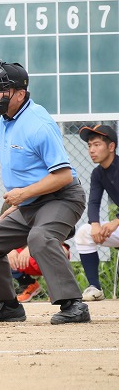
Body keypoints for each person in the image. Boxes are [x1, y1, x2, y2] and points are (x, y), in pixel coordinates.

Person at [0, 59, 89, 324]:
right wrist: (15, 205)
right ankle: (8, 306)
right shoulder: (2, 122)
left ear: (20, 94)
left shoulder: (38, 123)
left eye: (1, 89)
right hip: (29, 203)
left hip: (62, 197)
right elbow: (25, 176)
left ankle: (74, 304)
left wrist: (22, 196)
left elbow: (63, 175)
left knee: (40, 236)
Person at [73, 124, 119, 302]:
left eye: (97, 144)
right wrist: (95, 225)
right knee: (84, 232)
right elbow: (93, 202)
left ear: (111, 146)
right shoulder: (98, 173)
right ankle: (95, 288)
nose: (92, 150)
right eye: (89, 145)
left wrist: (116, 221)